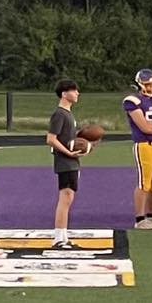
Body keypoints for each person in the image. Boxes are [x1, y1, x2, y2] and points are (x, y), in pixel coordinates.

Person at [45, 78, 94, 249]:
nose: (77, 93)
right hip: (65, 162)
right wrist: (68, 152)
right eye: (74, 90)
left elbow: (69, 139)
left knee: (69, 197)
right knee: (65, 197)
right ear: (64, 94)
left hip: (72, 161)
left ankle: (63, 236)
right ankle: (58, 238)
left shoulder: (68, 114)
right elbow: (51, 139)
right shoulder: (60, 114)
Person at [123, 69, 152, 230]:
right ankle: (140, 218)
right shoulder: (133, 101)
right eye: (147, 84)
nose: (151, 88)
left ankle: (150, 216)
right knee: (144, 184)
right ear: (139, 85)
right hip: (144, 145)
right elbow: (144, 127)